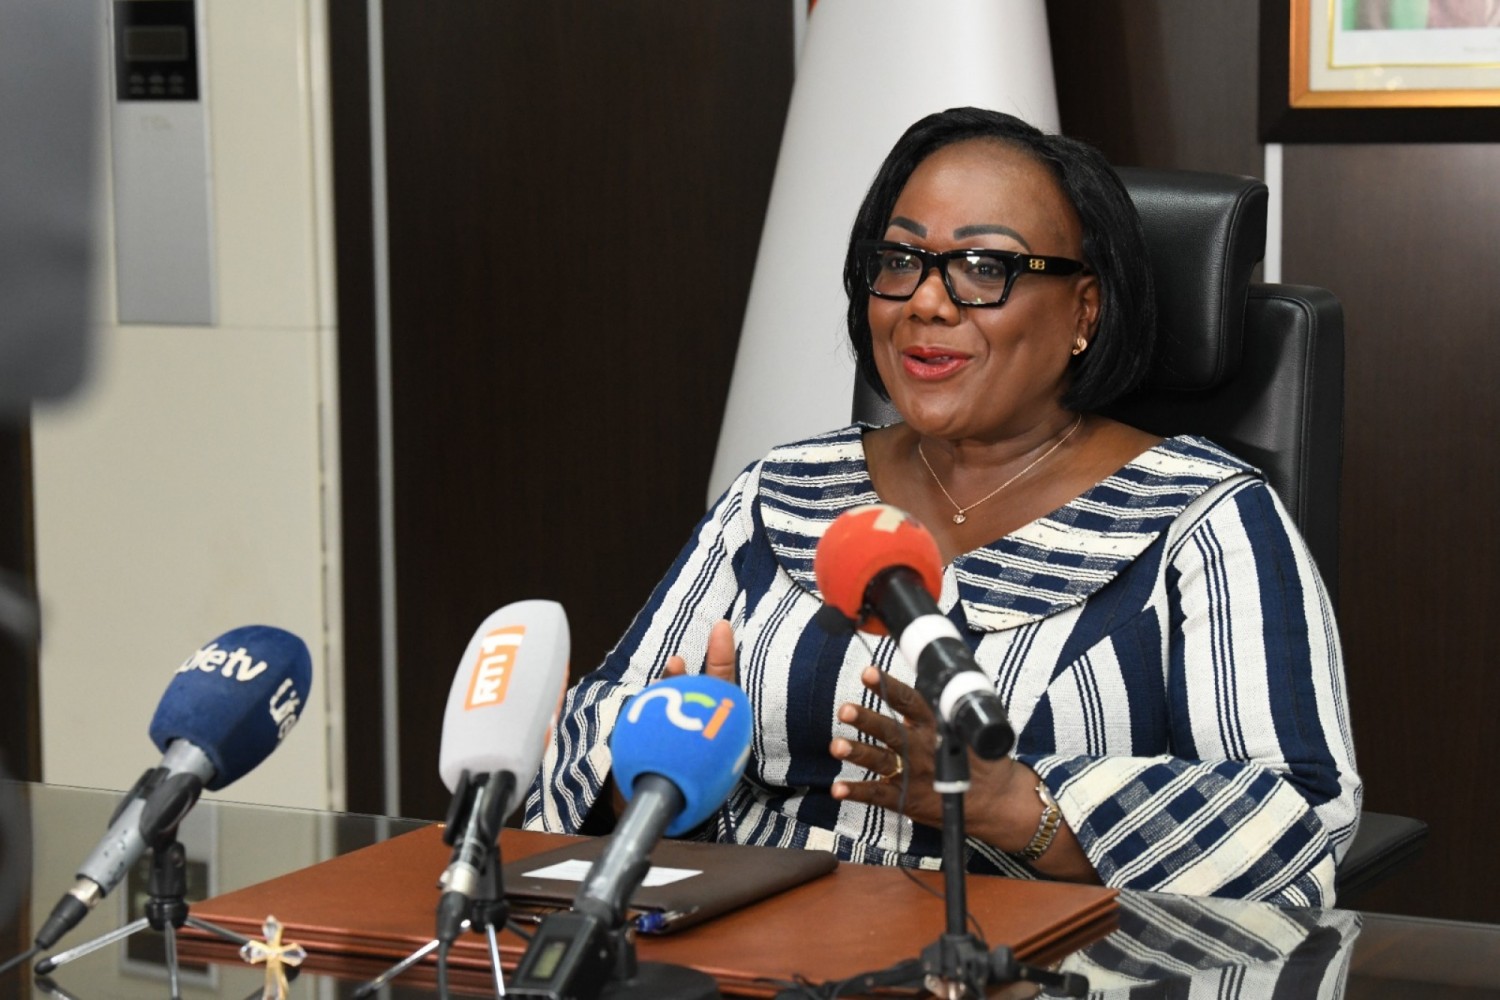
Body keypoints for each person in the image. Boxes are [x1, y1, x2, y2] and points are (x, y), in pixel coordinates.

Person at [524, 107, 1360, 906]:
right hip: (758, 944)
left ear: (1085, 309)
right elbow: (585, 738)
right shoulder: (781, 493)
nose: (926, 301)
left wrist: (1017, 807)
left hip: (1039, 958)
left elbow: (1300, 819)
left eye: (985, 268)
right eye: (900, 261)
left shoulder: (1203, 521)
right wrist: (662, 769)